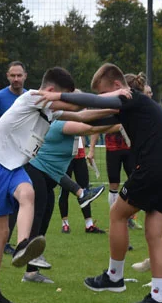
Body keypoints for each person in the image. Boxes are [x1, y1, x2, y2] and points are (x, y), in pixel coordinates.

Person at [36, 65, 162, 303]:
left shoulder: (131, 97)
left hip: (154, 168)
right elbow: (86, 117)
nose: (104, 99)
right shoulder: (128, 109)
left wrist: (57, 96)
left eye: (106, 93)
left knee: (117, 213)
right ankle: (159, 298)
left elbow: (92, 101)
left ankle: (114, 277)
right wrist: (51, 112)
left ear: (116, 87)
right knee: (155, 232)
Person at [0, 67, 79, 303]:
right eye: (61, 95)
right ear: (52, 92)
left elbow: (81, 115)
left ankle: (23, 245)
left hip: (15, 167)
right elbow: (76, 106)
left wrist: (114, 110)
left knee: (28, 192)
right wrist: (113, 97)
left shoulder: (48, 110)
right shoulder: (33, 96)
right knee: (0, 235)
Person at [24, 107, 120, 285]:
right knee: (38, 215)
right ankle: (29, 259)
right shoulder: (62, 124)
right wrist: (119, 121)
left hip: (49, 174)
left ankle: (31, 270)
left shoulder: (64, 122)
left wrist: (120, 122)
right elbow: (91, 129)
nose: (82, 110)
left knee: (44, 217)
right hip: (36, 171)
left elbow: (93, 124)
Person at [0, 62, 28, 254]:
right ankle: (7, 241)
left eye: (19, 75)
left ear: (25, 76)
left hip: (22, 158)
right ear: (7, 76)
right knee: (7, 201)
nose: (16, 79)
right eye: (13, 75)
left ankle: (22, 241)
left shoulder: (30, 98)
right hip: (0, 158)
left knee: (24, 197)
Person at [58, 132, 105, 234]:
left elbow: (82, 133)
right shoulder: (63, 117)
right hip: (65, 155)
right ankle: (65, 223)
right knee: (64, 190)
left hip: (79, 155)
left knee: (85, 190)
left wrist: (84, 149)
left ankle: (89, 225)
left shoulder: (79, 117)